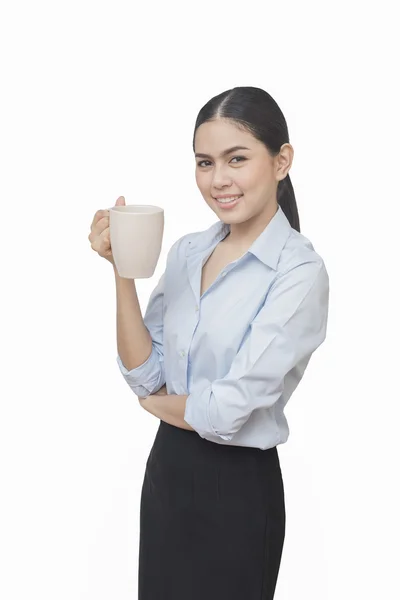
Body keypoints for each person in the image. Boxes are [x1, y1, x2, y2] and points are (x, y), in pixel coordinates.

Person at [88, 86, 329, 600]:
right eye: (204, 162)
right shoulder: (188, 251)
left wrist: (152, 404)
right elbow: (145, 372)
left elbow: (225, 414)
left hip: (238, 493)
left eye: (236, 159)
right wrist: (123, 270)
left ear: (281, 160)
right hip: (167, 475)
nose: (218, 180)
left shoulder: (298, 272)